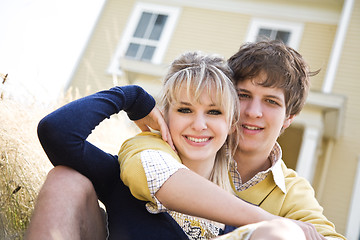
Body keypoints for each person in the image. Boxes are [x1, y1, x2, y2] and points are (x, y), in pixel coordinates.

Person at [25, 50, 302, 240]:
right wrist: (130, 97)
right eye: (184, 110)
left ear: (231, 125)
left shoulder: (241, 217)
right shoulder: (123, 177)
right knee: (65, 178)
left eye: (214, 112)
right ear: (166, 116)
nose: (199, 124)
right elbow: (57, 132)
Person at [117, 41, 345, 240]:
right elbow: (150, 172)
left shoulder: (292, 191)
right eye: (243, 96)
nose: (253, 112)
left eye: (271, 102)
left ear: (288, 119)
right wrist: (272, 222)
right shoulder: (179, 143)